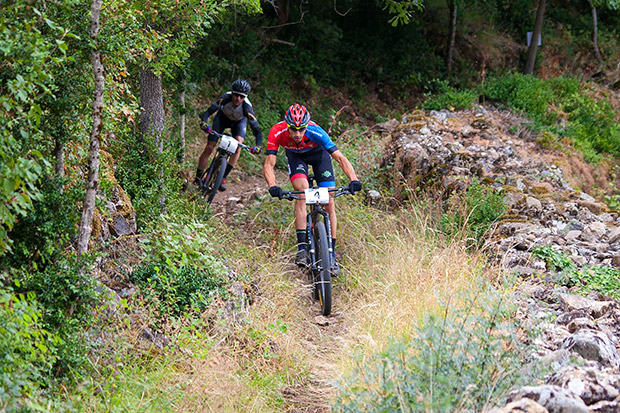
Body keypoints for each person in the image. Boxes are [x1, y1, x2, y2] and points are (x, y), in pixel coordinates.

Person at [263, 103, 362, 276]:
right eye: (293, 130)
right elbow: (269, 163)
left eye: (301, 129)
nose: (298, 134)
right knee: (302, 192)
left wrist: (353, 180)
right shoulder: (277, 131)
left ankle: (330, 253)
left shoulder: (316, 131)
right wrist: (273, 186)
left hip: (319, 156)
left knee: (329, 199)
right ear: (287, 126)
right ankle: (302, 248)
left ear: (307, 126)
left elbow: (340, 158)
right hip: (295, 158)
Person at [194, 79, 262, 191]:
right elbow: (207, 112)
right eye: (236, 95)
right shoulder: (225, 98)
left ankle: (223, 177)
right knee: (210, 147)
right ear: (232, 93)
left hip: (238, 123)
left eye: (242, 96)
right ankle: (198, 177)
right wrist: (204, 123)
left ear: (245, 97)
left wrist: (258, 146)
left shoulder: (247, 108)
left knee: (239, 146)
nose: (238, 99)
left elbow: (257, 131)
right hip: (222, 119)